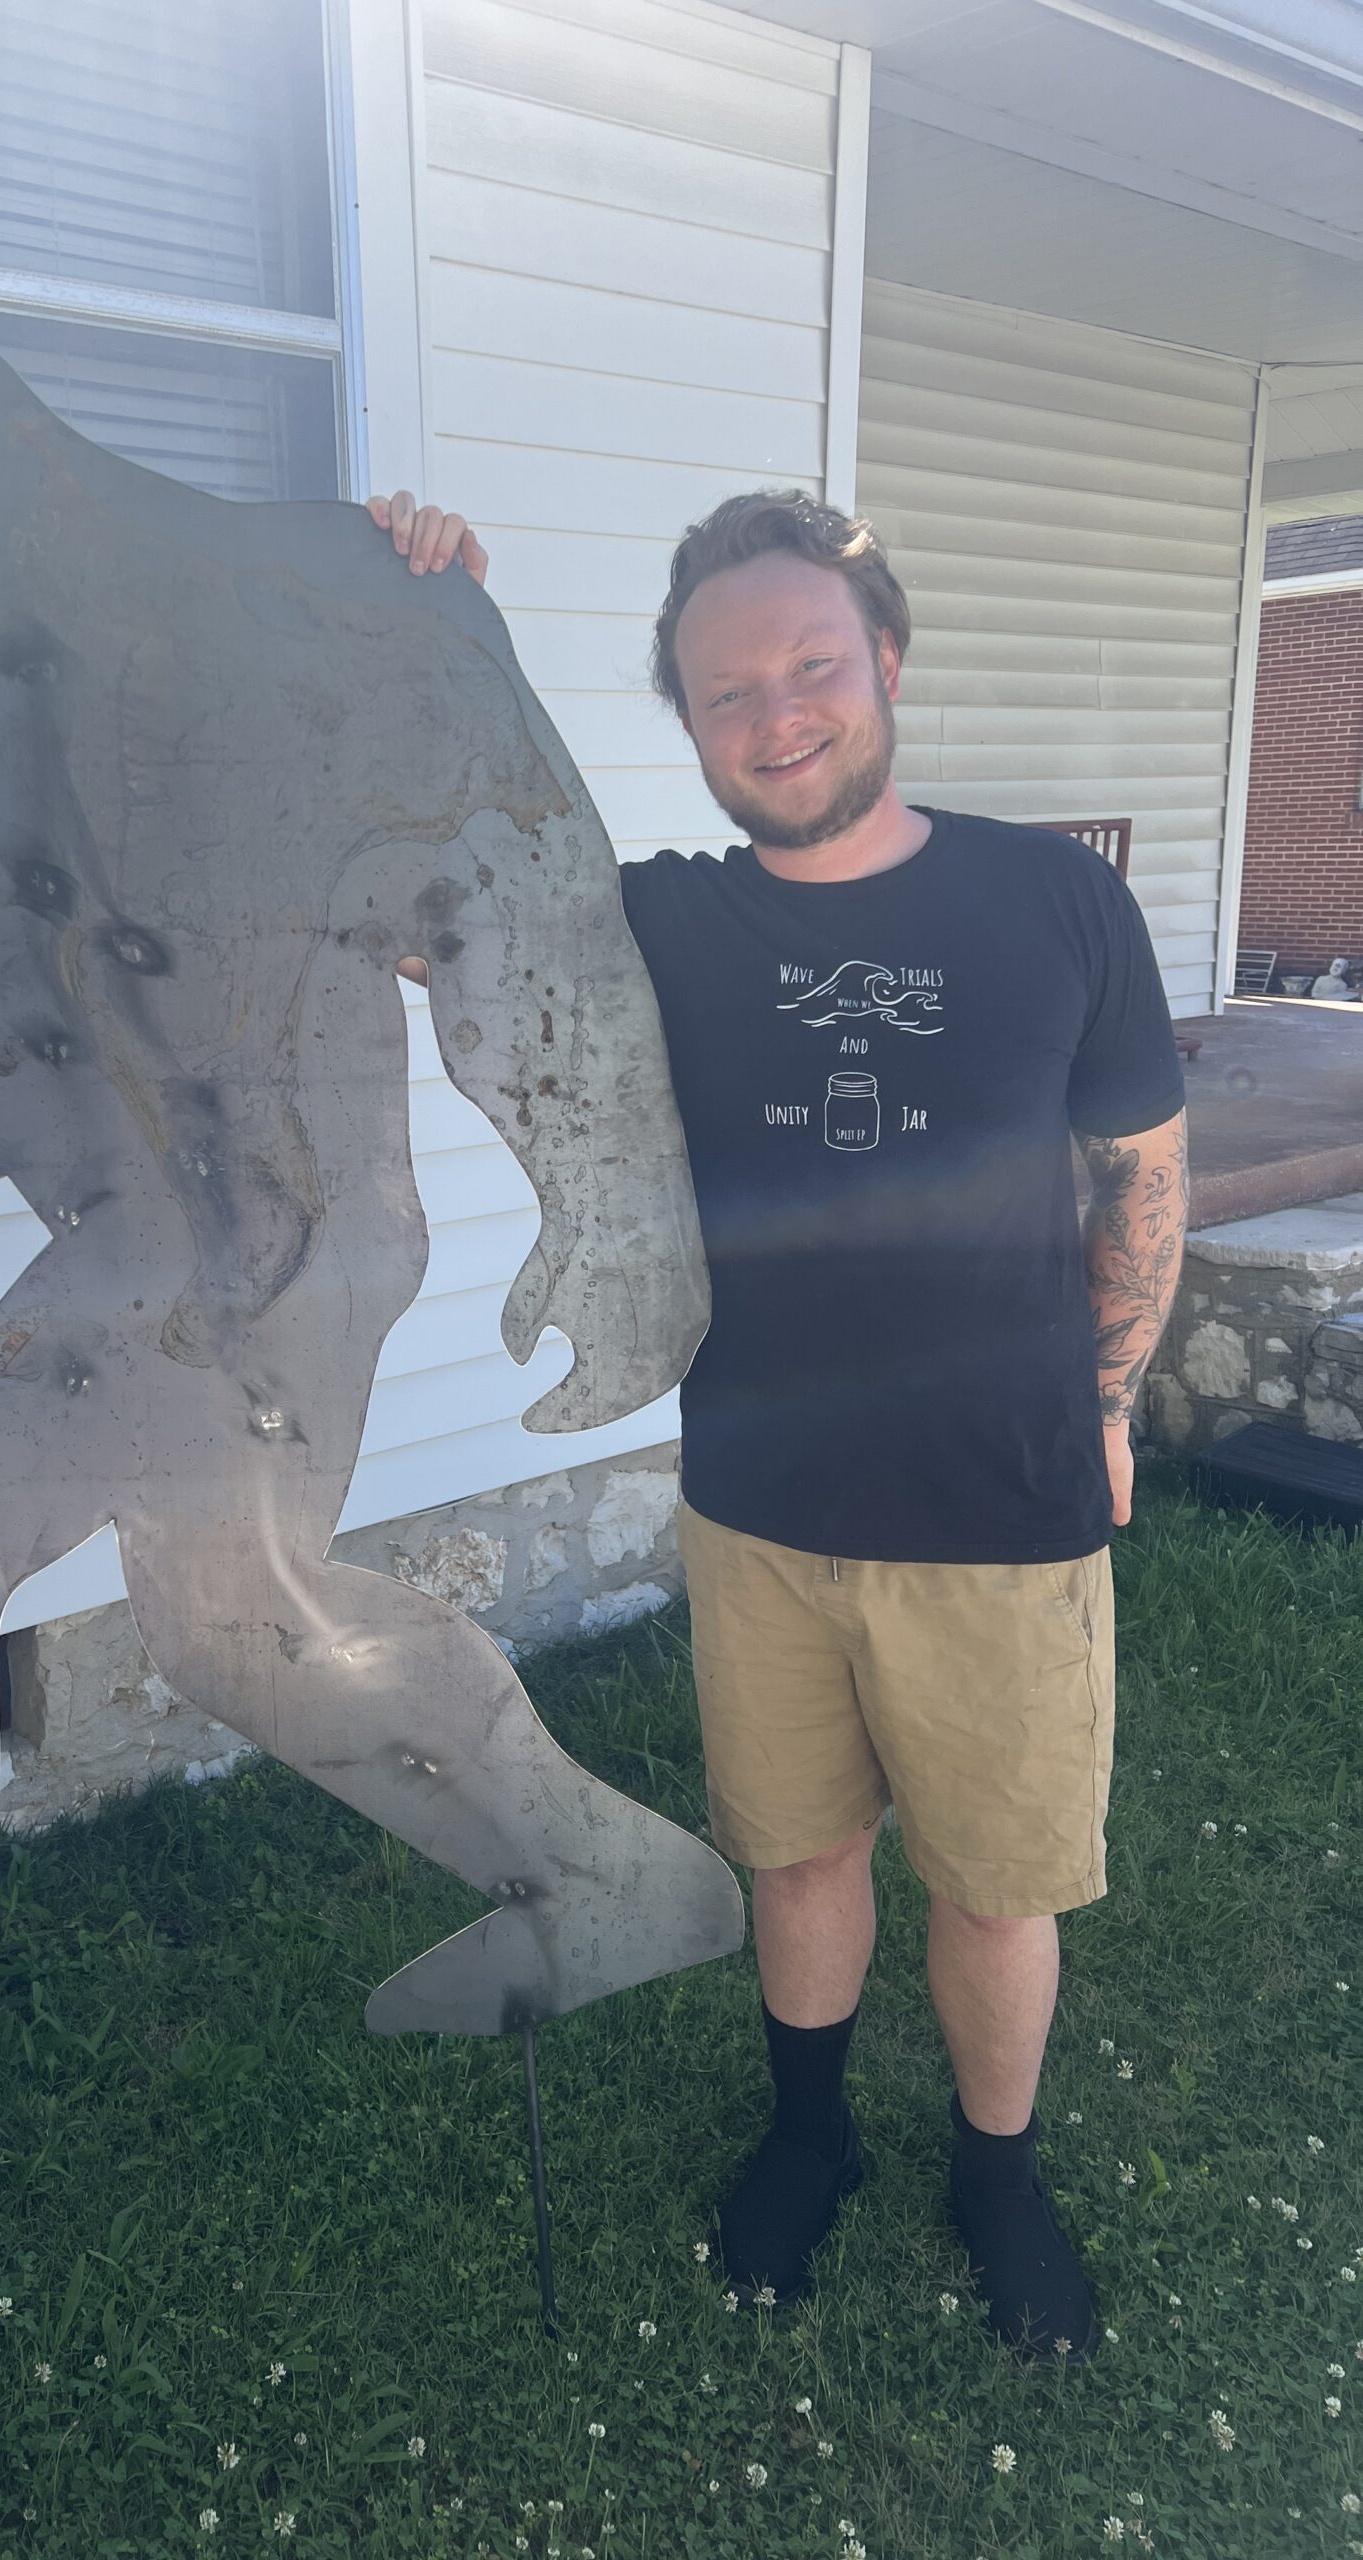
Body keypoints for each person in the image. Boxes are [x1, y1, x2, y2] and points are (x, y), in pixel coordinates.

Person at [371, 483, 1189, 2358]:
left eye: (812, 666)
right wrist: (422, 617)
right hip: (760, 1501)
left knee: (997, 1889)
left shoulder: (1058, 900)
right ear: (689, 720)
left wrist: (1110, 1398)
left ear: (885, 660)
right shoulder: (655, 923)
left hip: (1001, 1507)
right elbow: (432, 908)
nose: (778, 714)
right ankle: (808, 2134)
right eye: (727, 690)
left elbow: (1138, 1175)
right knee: (801, 1854)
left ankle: (998, 2170)